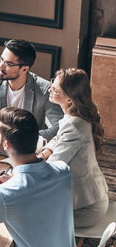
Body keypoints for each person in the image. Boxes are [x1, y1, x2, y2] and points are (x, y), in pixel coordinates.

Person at [0, 107, 75, 247]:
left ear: (6, 144)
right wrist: (14, 181)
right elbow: (36, 191)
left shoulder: (4, 195)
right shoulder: (63, 171)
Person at [38, 68, 109, 227]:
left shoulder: (75, 127)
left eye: (55, 90)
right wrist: (44, 152)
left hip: (85, 209)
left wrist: (27, 167)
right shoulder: (74, 115)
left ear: (69, 99)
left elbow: (52, 168)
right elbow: (58, 138)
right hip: (91, 197)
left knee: (30, 213)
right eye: (52, 83)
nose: (50, 89)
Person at [0, 39, 63, 141]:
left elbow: (60, 127)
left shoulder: (45, 90)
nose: (0, 66)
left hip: (27, 147)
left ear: (24, 69)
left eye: (8, 64)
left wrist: (27, 138)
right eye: (1, 59)